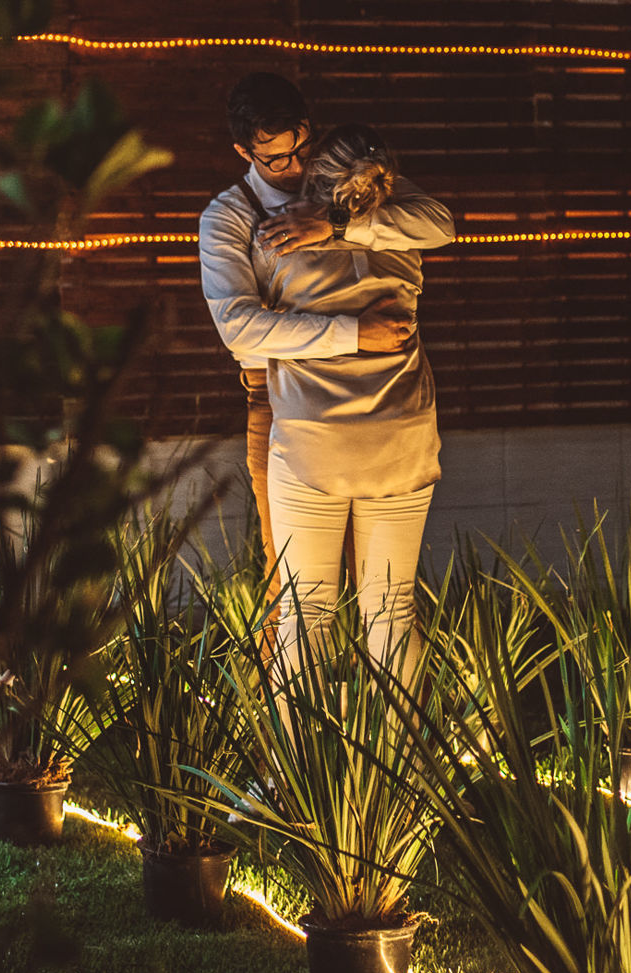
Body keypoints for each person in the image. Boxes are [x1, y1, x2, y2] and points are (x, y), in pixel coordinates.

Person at [198, 80, 453, 677]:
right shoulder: (233, 217)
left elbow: (439, 222)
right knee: (326, 599)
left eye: (301, 149)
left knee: (313, 608)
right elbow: (240, 329)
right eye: (274, 158)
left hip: (323, 423)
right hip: (286, 403)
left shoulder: (356, 194)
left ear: (312, 132)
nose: (292, 167)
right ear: (244, 153)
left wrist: (337, 225)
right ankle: (342, 761)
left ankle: (325, 763)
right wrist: (353, 334)